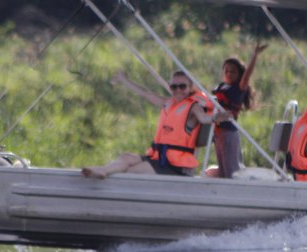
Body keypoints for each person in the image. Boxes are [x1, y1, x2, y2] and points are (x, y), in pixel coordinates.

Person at [81, 69, 229, 178]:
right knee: (126, 157)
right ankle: (103, 170)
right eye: (174, 87)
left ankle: (107, 174)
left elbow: (204, 119)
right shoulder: (168, 103)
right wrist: (123, 80)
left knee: (133, 171)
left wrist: (216, 118)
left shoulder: (193, 107)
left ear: (191, 88)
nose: (178, 90)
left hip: (176, 167)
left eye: (182, 86)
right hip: (159, 158)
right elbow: (146, 93)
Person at [208, 44, 267, 178]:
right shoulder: (221, 87)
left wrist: (255, 55)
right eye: (226, 71)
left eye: (233, 71)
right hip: (217, 133)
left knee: (232, 171)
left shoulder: (238, 88)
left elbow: (247, 76)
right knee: (222, 170)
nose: (228, 74)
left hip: (228, 133)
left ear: (239, 74)